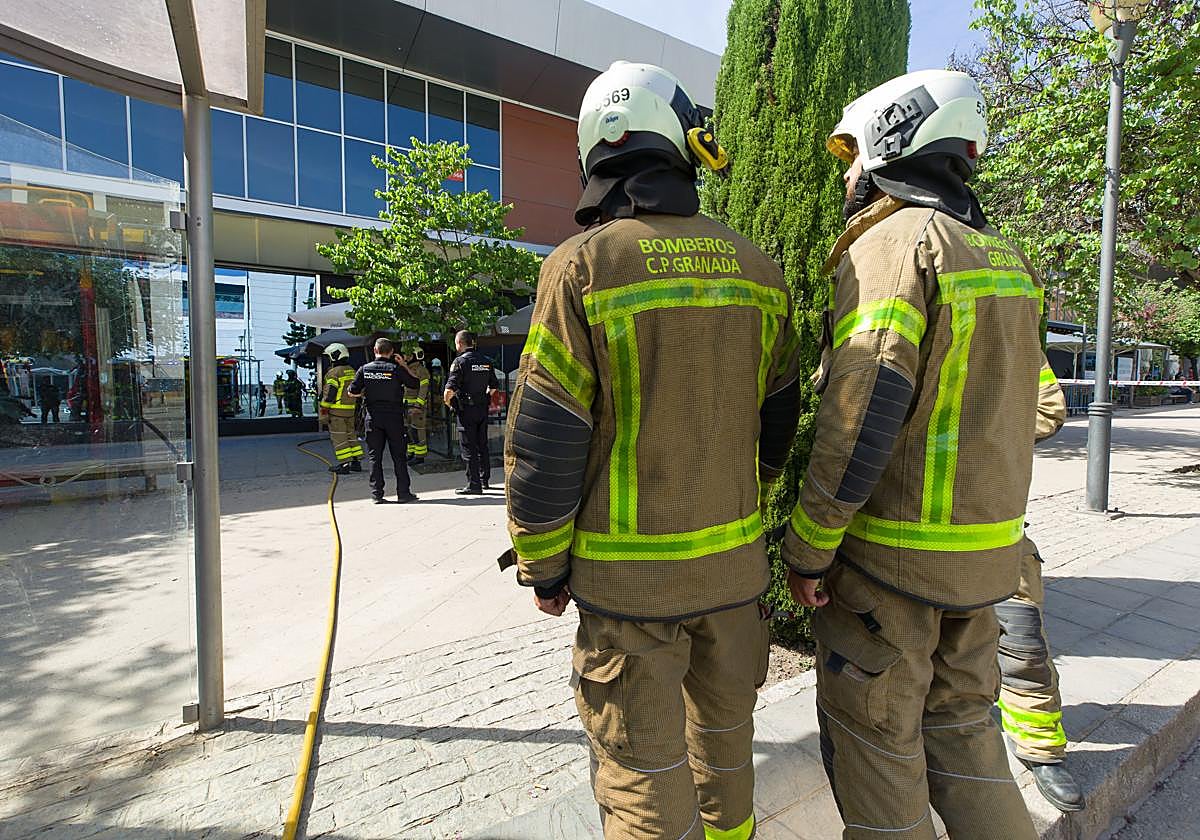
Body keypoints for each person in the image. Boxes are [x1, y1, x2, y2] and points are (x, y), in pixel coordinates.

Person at [502, 61, 801, 840]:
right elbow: (780, 418)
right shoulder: (759, 270)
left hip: (628, 595)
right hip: (734, 579)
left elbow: (545, 436)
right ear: (680, 142)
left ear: (595, 146)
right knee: (726, 748)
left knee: (643, 777)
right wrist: (746, 494)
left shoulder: (582, 266)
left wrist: (543, 565)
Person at [781, 69, 1041, 839]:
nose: (848, 177)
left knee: (879, 757)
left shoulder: (896, 245)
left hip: (891, 574)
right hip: (981, 567)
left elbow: (861, 414)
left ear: (890, 142)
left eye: (852, 157)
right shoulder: (1006, 258)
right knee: (968, 744)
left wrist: (808, 547)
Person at [995, 361, 1085, 812]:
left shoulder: (1008, 329)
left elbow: (1048, 409)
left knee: (1023, 648)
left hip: (996, 537)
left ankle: (1041, 750)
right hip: (912, 539)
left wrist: (976, 429)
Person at [348, 337, 420, 504]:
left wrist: (365, 393)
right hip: (394, 418)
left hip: (373, 417)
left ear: (375, 350)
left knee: (375, 457)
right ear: (392, 352)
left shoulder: (364, 369)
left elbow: (352, 391)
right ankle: (403, 494)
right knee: (399, 457)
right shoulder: (396, 369)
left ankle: (377, 495)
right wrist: (404, 365)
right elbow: (415, 384)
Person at [443, 331, 498, 495]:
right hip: (482, 408)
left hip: (466, 410)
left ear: (459, 343)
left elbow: (449, 390)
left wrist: (449, 403)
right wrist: (484, 397)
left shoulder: (460, 362)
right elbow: (494, 387)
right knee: (482, 444)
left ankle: (474, 485)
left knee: (468, 446)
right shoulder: (486, 361)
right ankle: (484, 479)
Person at [318, 342, 364, 475]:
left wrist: (323, 409)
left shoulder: (333, 373)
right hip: (350, 411)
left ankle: (344, 465)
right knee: (351, 435)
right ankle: (356, 463)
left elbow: (330, 393)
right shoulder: (352, 370)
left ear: (334, 356)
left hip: (336, 412)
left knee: (339, 438)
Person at [403, 347, 431, 464]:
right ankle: (411, 453)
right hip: (406, 406)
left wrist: (418, 406)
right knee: (409, 431)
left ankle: (420, 456)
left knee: (418, 431)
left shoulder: (421, 370)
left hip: (416, 408)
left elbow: (424, 389)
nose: (404, 357)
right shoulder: (407, 369)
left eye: (407, 354)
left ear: (414, 356)